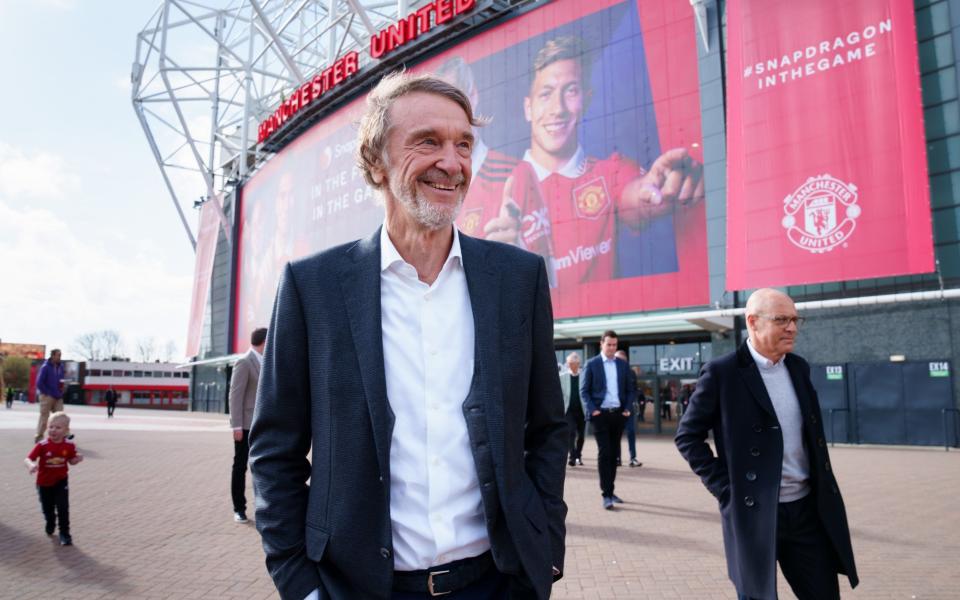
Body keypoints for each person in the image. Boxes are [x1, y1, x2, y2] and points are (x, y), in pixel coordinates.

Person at [249, 72, 568, 600]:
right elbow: (275, 451)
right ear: (376, 161)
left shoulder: (518, 280)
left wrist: (544, 550)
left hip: (496, 584)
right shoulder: (313, 287)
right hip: (357, 588)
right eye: (428, 142)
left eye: (463, 144)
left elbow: (548, 430)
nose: (452, 162)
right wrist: (299, 582)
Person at [675, 289, 858, 600]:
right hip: (755, 513)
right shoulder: (724, 372)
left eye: (796, 320)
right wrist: (727, 488)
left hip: (806, 511)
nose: (793, 328)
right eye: (782, 320)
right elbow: (687, 436)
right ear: (753, 322)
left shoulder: (798, 368)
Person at [484, 36, 704, 291]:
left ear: (586, 101)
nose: (558, 108)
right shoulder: (499, 190)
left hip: (597, 323)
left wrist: (658, 190)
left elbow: (637, 196)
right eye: (546, 94)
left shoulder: (610, 171)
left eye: (571, 91)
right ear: (528, 108)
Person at [580, 331, 633, 510]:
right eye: (609, 344)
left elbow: (630, 389)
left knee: (614, 454)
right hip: (600, 415)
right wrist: (593, 410)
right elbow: (584, 391)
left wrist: (627, 408)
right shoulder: (592, 364)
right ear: (601, 343)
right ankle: (606, 494)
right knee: (605, 453)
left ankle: (611, 490)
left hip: (618, 414)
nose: (612, 348)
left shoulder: (622, 365)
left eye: (614, 345)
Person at [25, 411, 83, 546]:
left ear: (66, 430)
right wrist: (31, 465)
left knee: (63, 507)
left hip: (61, 481)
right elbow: (28, 458)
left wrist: (77, 459)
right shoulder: (42, 445)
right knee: (48, 509)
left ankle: (65, 534)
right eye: (51, 427)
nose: (53, 430)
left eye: (58, 427)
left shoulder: (69, 445)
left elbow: (71, 461)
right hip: (44, 483)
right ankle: (50, 521)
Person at [229, 327, 266, 524]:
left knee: (261, 468)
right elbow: (235, 396)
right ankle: (239, 508)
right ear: (265, 342)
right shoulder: (244, 362)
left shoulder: (265, 362)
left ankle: (262, 507)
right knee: (240, 467)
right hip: (245, 426)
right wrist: (235, 426)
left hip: (262, 426)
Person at [614, 350, 642, 468]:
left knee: (631, 432)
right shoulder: (611, 371)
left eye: (620, 359)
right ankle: (617, 458)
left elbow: (634, 390)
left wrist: (629, 405)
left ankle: (633, 458)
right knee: (616, 434)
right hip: (615, 409)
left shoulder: (631, 373)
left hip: (628, 408)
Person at [559, 353, 585, 467]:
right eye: (569, 363)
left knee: (582, 435)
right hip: (568, 409)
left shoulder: (584, 376)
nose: (570, 365)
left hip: (582, 410)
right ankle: (572, 456)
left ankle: (578, 455)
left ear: (578, 364)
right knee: (571, 432)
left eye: (573, 363)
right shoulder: (562, 376)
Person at [35, 349, 65, 443]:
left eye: (60, 355)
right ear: (52, 356)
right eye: (58, 355)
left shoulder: (61, 367)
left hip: (58, 396)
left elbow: (60, 380)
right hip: (47, 396)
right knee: (44, 417)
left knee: (60, 416)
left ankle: (61, 436)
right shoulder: (45, 367)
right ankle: (39, 436)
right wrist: (47, 392)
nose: (60, 357)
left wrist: (62, 388)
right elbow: (39, 383)